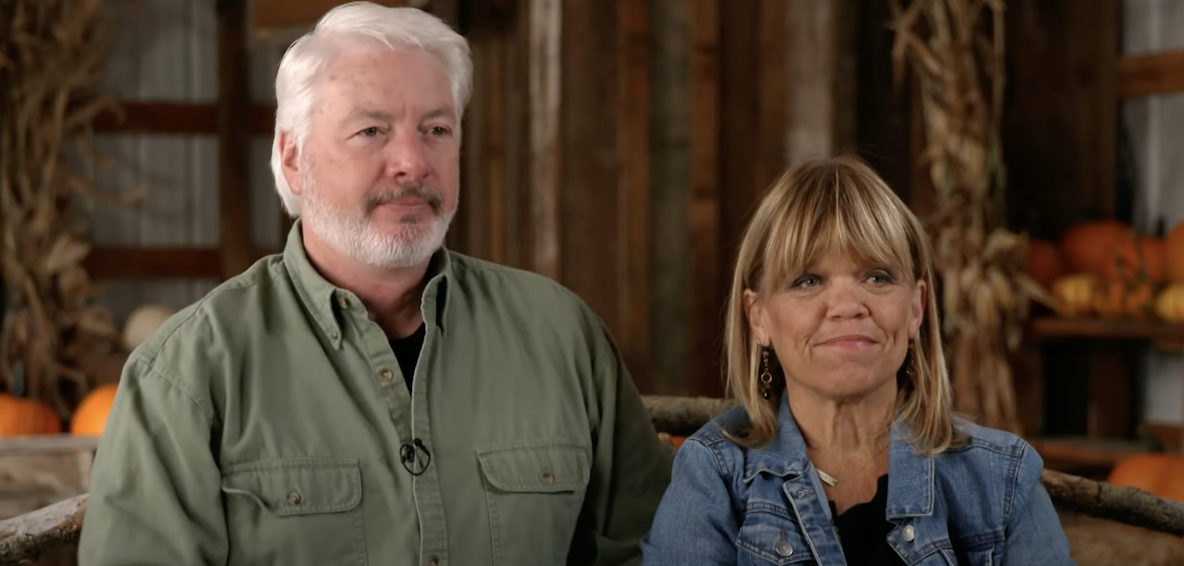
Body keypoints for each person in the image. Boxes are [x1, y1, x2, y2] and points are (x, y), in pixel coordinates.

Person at [77, 3, 670, 565]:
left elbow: (652, 548)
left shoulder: (562, 337)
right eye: (371, 131)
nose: (413, 160)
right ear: (293, 157)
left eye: (436, 129)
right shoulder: (186, 375)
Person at [640, 155, 1075, 565]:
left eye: (877, 276)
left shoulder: (1002, 479)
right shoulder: (715, 475)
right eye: (808, 280)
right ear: (758, 317)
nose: (848, 305)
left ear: (916, 308)